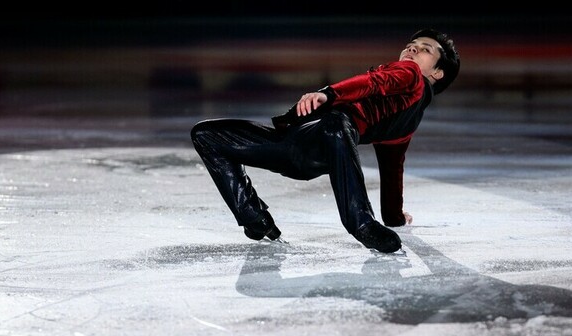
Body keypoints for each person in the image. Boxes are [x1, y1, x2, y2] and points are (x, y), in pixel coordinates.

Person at [190, 28, 460, 253]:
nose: (412, 49)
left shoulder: (411, 74)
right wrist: (395, 216)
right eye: (411, 44)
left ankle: (361, 223)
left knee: (336, 123)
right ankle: (254, 217)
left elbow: (376, 82)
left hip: (323, 138)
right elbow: (392, 167)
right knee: (206, 135)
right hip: (293, 142)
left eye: (425, 49)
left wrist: (328, 94)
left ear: (437, 74)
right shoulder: (405, 120)